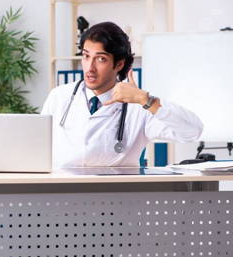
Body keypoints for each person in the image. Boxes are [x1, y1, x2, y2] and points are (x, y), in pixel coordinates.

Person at [41, 21, 203, 169]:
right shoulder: (59, 96)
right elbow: (37, 149)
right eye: (86, 56)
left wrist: (146, 100)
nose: (90, 67)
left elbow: (192, 131)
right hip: (60, 194)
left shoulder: (140, 107)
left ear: (119, 64)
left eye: (101, 59)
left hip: (117, 196)